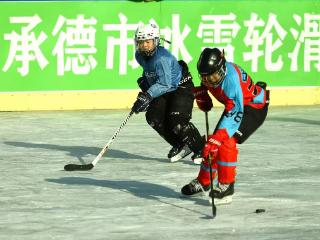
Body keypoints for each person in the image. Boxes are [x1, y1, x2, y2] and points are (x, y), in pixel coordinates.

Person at [181, 48, 269, 205]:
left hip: (252, 107)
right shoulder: (211, 74)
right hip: (234, 105)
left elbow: (236, 111)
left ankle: (227, 186)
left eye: (213, 76)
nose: (210, 81)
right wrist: (203, 93)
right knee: (212, 145)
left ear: (222, 68)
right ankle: (204, 181)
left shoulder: (231, 81)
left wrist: (218, 139)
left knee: (224, 142)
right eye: (205, 78)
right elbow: (208, 85)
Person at [131, 23, 205, 163]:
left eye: (148, 41)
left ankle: (202, 149)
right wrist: (146, 85)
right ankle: (180, 144)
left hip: (180, 86)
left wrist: (148, 95)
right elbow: (151, 72)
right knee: (153, 117)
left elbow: (166, 83)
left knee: (176, 120)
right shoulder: (139, 56)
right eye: (141, 42)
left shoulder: (162, 58)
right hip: (165, 88)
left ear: (156, 41)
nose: (145, 45)